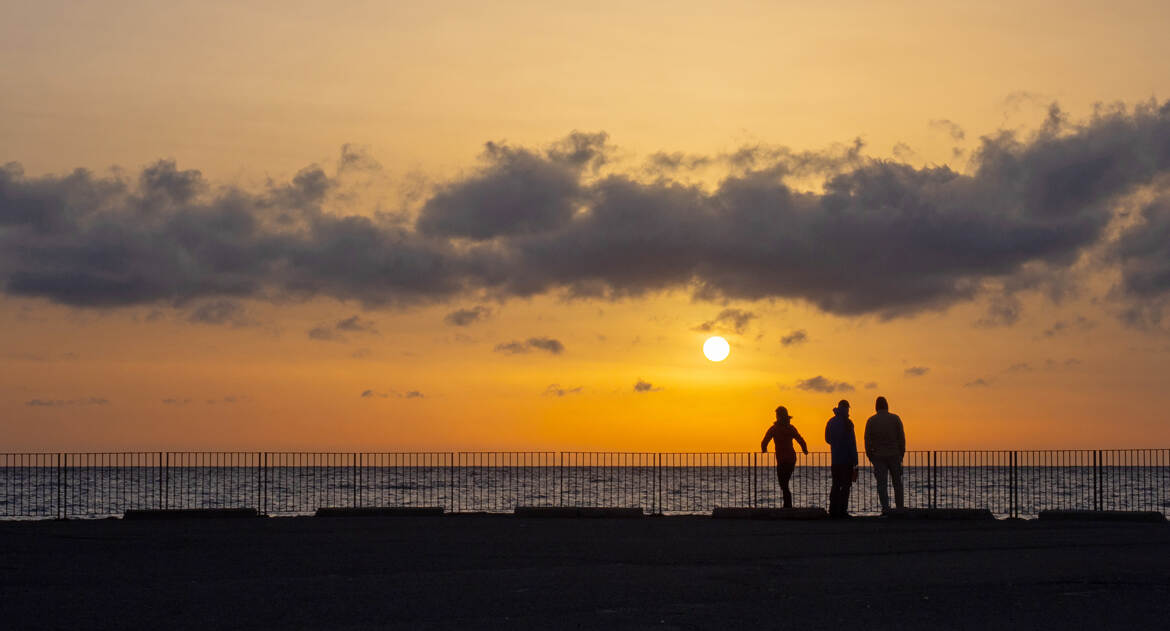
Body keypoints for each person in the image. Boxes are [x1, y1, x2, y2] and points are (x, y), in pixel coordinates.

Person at [760, 406, 809, 508]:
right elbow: (800, 439)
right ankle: (787, 504)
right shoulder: (787, 428)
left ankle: (787, 505)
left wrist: (764, 449)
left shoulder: (778, 429)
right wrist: (804, 449)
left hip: (786, 459)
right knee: (783, 483)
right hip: (787, 459)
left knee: (783, 483)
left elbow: (765, 440)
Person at [864, 396, 906, 513]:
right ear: (887, 405)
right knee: (897, 483)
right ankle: (899, 508)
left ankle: (885, 508)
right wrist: (901, 454)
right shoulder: (895, 419)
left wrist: (870, 455)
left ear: (876, 406)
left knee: (882, 485)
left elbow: (867, 440)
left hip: (878, 456)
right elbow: (901, 438)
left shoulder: (871, 421)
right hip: (894, 454)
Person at [824, 399, 858, 518]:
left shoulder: (831, 421)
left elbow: (827, 438)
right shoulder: (848, 423)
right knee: (846, 486)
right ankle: (842, 511)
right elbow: (852, 443)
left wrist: (835, 443)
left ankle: (833, 510)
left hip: (836, 459)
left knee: (835, 485)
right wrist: (856, 461)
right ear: (847, 408)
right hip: (847, 459)